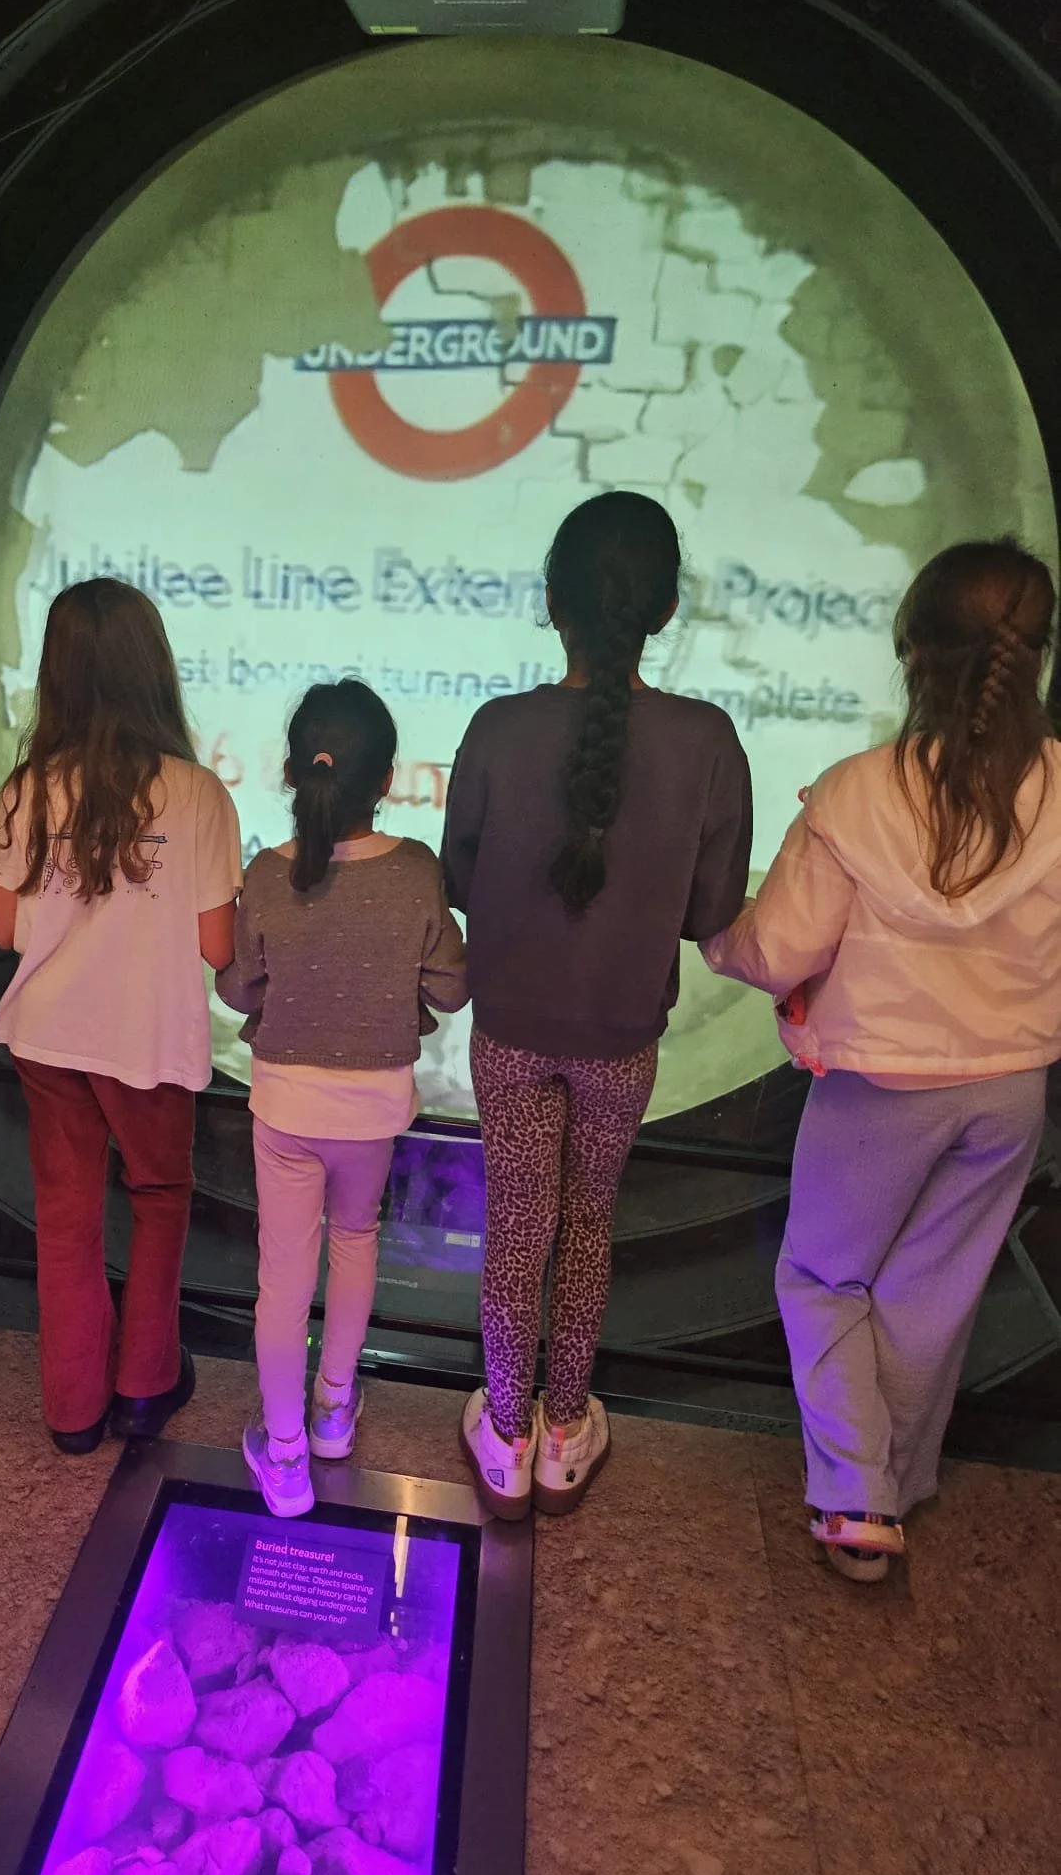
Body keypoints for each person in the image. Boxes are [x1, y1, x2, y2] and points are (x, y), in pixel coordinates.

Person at [704, 539, 1061, 1582]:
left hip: (880, 1087)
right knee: (932, 1291)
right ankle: (889, 1486)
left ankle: (857, 1494)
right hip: (1012, 1088)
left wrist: (715, 936)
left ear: (913, 651)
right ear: (1034, 654)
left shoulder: (859, 793)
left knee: (822, 1275)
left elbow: (777, 949)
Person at [441, 492, 752, 1519]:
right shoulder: (709, 741)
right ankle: (568, 1426)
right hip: (624, 1037)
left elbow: (457, 874)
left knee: (516, 1223)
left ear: (551, 603)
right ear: (665, 607)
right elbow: (709, 912)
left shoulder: (496, 727)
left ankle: (504, 1433)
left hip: (510, 1030)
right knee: (587, 1224)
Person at [0, 579, 241, 1455]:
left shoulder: (24, 788)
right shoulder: (199, 793)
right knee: (160, 1199)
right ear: (152, 668)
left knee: (65, 1215)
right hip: (145, 1039)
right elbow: (215, 946)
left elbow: (5, 929)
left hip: (48, 1035)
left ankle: (72, 1411)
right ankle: (143, 1386)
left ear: (56, 674)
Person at [216, 680, 468, 1516]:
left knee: (282, 1279)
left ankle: (284, 1455)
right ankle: (334, 1411)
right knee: (355, 1245)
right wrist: (408, 1003)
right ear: (388, 776)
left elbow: (242, 992)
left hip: (285, 1107)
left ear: (291, 772)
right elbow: (454, 987)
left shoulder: (265, 872)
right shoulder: (416, 872)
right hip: (373, 1112)